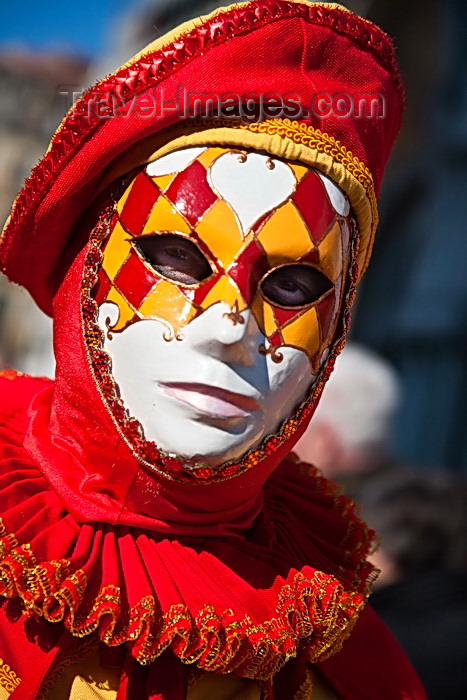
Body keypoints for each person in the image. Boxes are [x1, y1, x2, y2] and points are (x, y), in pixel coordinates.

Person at [0, 1, 426, 698]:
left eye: (292, 283)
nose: (228, 325)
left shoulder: (337, 650)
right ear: (85, 268)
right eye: (175, 258)